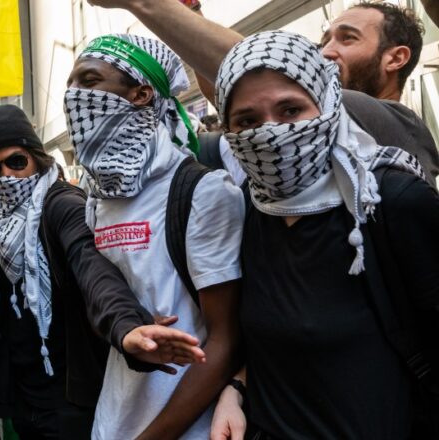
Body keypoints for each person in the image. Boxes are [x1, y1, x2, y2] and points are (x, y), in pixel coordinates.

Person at [210, 30, 439, 439]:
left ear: (329, 105)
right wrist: (237, 389)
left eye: (290, 110)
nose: (270, 132)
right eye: (247, 120)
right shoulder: (246, 208)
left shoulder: (388, 200)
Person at [0, 104, 207, 439]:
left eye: (16, 161)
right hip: (23, 395)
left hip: (68, 399)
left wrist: (125, 325)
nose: (7, 176)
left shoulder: (61, 205)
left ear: (36, 155)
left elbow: (91, 266)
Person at [63, 35, 244, 439]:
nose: (74, 96)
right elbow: (105, 311)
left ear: (142, 94)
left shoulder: (202, 191)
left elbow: (226, 340)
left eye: (89, 81)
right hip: (115, 418)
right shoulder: (98, 198)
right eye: (71, 84)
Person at [86, 0, 439, 184]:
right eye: (324, 39)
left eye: (348, 38)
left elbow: (257, 73)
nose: (326, 51)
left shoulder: (397, 125)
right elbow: (234, 85)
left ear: (396, 58)